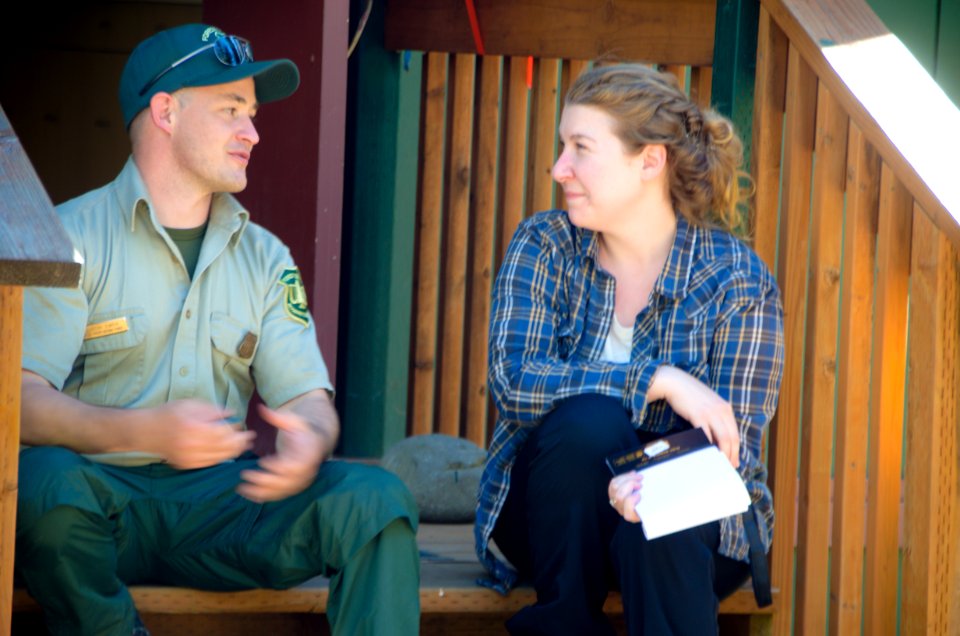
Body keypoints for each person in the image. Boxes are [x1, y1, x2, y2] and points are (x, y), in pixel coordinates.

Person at [15, 23, 419, 636]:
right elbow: (17, 403)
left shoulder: (265, 257)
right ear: (166, 112)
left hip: (220, 508)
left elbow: (308, 398)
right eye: (231, 110)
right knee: (42, 487)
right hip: (97, 499)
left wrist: (309, 440)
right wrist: (144, 429)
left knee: (376, 500)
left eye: (252, 113)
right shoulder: (68, 237)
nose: (252, 133)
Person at [474, 63, 784, 635]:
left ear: (649, 161)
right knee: (588, 422)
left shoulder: (736, 278)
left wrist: (647, 478)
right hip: (555, 518)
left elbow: (731, 450)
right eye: (561, 146)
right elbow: (515, 383)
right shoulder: (544, 245)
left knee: (659, 525)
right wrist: (657, 380)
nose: (558, 168)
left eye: (580, 148)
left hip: (693, 528)